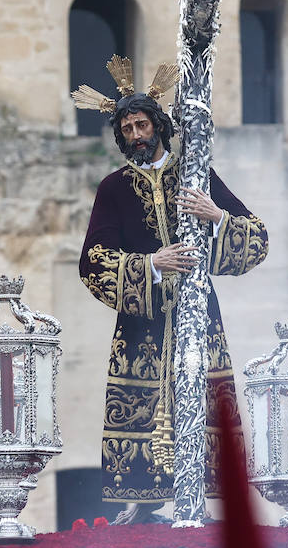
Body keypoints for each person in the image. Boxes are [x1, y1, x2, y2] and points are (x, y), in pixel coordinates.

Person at [75, 56, 269, 522]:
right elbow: (93, 261)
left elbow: (257, 237)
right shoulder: (114, 188)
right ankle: (142, 505)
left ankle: (202, 502)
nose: (135, 136)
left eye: (142, 125)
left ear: (158, 126)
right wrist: (150, 265)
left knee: (201, 395)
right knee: (139, 403)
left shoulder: (196, 175)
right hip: (142, 324)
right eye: (127, 130)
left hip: (197, 314)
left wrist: (215, 215)